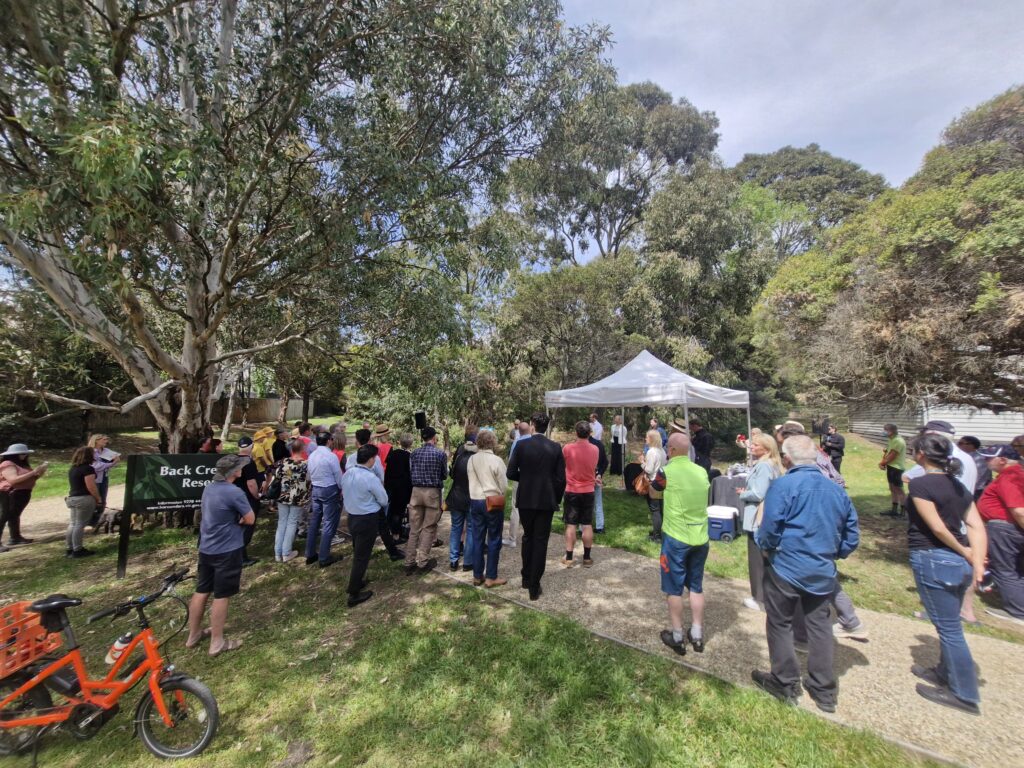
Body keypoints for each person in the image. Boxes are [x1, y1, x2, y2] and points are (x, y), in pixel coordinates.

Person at [752, 435, 859, 713]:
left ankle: (785, 681)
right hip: (821, 569)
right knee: (820, 627)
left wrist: (766, 548)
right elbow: (851, 535)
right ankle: (824, 689)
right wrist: (835, 553)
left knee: (780, 623)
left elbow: (770, 526)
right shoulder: (836, 490)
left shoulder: (783, 485)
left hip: (786, 566)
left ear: (787, 459)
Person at [905, 434, 987, 714]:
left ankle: (964, 694)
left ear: (921, 455)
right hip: (958, 563)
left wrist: (966, 553)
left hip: (933, 557)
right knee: (950, 623)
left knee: (950, 629)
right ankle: (944, 671)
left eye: (913, 450)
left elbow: (937, 528)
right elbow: (975, 526)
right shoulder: (958, 486)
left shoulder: (920, 484)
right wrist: (976, 560)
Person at [186, 454, 254, 656]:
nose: (242, 469)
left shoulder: (209, 488)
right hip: (227, 548)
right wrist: (239, 520)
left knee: (201, 590)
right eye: (240, 467)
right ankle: (217, 642)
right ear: (234, 472)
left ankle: (194, 634)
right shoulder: (234, 492)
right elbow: (250, 519)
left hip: (206, 546)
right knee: (222, 595)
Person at [654, 432, 711, 656]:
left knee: (673, 587)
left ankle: (677, 634)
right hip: (700, 536)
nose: (667, 450)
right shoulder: (701, 471)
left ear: (673, 450)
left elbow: (654, 491)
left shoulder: (666, 472)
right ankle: (697, 632)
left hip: (676, 536)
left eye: (669, 447)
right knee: (696, 586)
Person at [506, 412, 565, 601]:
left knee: (528, 537)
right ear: (546, 427)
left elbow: (510, 472)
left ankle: (526, 577)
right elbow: (561, 479)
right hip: (546, 499)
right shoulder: (555, 447)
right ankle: (534, 583)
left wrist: (525, 480)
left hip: (526, 498)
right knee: (540, 541)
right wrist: (555, 497)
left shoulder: (522, 445)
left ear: (532, 425)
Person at [976, 444, 1024, 623]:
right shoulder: (1016, 474)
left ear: (1003, 460)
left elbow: (1019, 510)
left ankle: (1018, 611)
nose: (986, 461)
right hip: (1009, 528)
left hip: (1005, 529)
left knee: (1004, 568)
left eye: (989, 458)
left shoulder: (1010, 477)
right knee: (1016, 569)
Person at [341, 444, 391, 608]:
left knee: (358, 551)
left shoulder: (348, 474)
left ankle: (358, 581)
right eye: (375, 458)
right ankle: (353, 592)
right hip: (367, 518)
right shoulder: (370, 478)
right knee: (362, 557)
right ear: (371, 459)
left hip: (353, 517)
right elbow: (383, 499)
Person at [738, 433, 783, 611]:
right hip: (767, 516)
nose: (752, 447)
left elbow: (758, 493)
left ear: (766, 448)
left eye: (756, 445)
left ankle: (759, 598)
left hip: (757, 516)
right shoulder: (772, 465)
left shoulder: (764, 466)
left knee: (756, 560)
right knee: (766, 558)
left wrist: (743, 493)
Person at [467, 430, 508, 587]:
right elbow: (504, 485)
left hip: (475, 500)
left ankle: (477, 575)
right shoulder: (497, 460)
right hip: (492, 501)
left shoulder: (471, 459)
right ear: (493, 442)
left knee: (477, 538)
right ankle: (491, 576)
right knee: (494, 538)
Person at [406, 427, 447, 574]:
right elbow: (444, 475)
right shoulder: (440, 453)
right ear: (434, 437)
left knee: (414, 528)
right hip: (432, 492)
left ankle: (409, 561)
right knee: (429, 527)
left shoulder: (414, 453)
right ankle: (422, 562)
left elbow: (411, 471)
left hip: (416, 491)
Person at [561, 421, 599, 568]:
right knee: (587, 524)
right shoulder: (595, 449)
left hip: (572, 490)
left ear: (575, 432)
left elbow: (562, 464)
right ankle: (587, 558)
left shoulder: (568, 448)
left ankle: (569, 557)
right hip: (589, 490)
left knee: (571, 524)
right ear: (589, 433)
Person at [305, 432, 343, 568]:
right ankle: (324, 556)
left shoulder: (312, 455)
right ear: (328, 441)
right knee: (328, 523)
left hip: (316, 488)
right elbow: (338, 475)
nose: (332, 442)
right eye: (332, 440)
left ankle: (310, 554)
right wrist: (341, 489)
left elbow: (309, 475)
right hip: (329, 489)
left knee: (315, 521)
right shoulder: (331, 456)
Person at [1, 443, 47, 550]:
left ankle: (15, 537)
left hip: (22, 493)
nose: (24, 455)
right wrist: (33, 472)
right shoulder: (7, 464)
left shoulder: (22, 464)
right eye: (22, 453)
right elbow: (13, 480)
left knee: (14, 515)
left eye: (25, 453)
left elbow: (30, 479)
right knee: (3, 516)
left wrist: (39, 473)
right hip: (9, 493)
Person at [446, 436, 478, 571]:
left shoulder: (459, 458)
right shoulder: (476, 460)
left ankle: (453, 560)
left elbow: (452, 475)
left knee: (455, 528)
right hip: (471, 497)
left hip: (456, 497)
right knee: (470, 529)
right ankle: (468, 561)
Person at [274, 439, 309, 563]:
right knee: (292, 523)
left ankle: (278, 552)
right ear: (303, 449)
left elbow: (277, 477)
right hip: (297, 497)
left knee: (282, 522)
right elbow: (308, 481)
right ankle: (286, 552)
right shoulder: (305, 464)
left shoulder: (282, 463)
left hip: (282, 496)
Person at [65, 446, 101, 559]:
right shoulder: (88, 469)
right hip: (84, 499)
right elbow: (90, 485)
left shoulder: (73, 468)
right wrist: (98, 498)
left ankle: (70, 548)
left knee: (73, 523)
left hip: (73, 498)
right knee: (80, 524)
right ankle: (78, 549)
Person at [233, 436, 262, 567]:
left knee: (238, 526)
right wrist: (257, 496)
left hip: (233, 497)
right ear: (252, 447)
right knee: (247, 528)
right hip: (247, 498)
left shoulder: (233, 459)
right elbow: (251, 483)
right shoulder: (248, 462)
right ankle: (241, 557)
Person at [504, 421, 531, 547]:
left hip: (519, 478)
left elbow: (511, 463)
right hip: (533, 479)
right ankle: (530, 535)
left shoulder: (517, 442)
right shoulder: (535, 441)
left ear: (518, 431)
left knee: (516, 507)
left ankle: (512, 538)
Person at [384, 434, 413, 540]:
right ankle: (396, 535)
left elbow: (387, 470)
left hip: (391, 485)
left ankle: (393, 531)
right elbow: (410, 473)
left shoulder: (393, 454)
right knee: (399, 511)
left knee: (392, 509)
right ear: (411, 443)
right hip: (403, 487)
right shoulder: (409, 456)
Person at [87, 434, 119, 526]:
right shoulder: (91, 451)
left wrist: (115, 460)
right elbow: (96, 466)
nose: (106, 441)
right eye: (104, 440)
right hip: (94, 478)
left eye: (106, 439)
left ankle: (97, 521)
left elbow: (116, 457)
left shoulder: (106, 450)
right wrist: (112, 463)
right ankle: (89, 521)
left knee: (103, 499)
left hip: (104, 477)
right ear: (96, 440)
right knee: (95, 499)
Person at [641, 430, 666, 542]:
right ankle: (659, 532)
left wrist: (642, 462)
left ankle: (657, 536)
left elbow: (649, 469)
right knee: (660, 509)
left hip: (653, 482)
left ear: (651, 439)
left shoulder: (651, 452)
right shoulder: (662, 451)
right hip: (662, 482)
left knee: (655, 510)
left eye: (646, 437)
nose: (645, 439)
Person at [956, 436, 992, 500]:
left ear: (972, 445)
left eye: (961, 443)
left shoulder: (979, 459)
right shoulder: (962, 456)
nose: (957, 445)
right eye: (958, 443)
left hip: (975, 491)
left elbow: (977, 477)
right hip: (963, 489)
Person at [589, 428, 608, 533]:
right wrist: (600, 473)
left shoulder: (578, 446)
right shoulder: (598, 444)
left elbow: (604, 462)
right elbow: (605, 462)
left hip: (588, 478)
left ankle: (583, 526)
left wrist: (599, 474)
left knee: (587, 503)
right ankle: (599, 526)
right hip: (595, 476)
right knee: (598, 502)